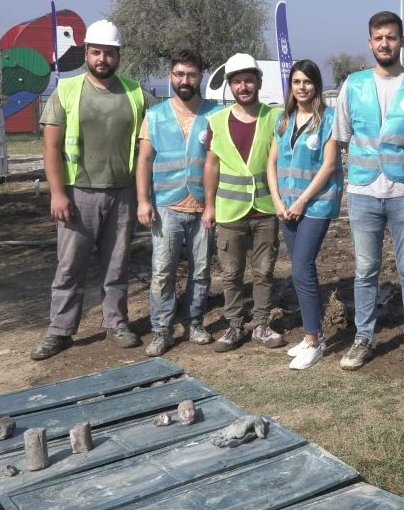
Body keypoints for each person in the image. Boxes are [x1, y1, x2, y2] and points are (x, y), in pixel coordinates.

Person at [30, 19, 152, 360]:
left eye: (109, 53)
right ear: (86, 53)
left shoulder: (135, 92)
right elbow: (51, 147)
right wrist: (57, 193)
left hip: (123, 193)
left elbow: (168, 117)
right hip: (77, 193)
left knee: (117, 264)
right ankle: (60, 330)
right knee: (70, 266)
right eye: (97, 52)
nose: (102, 59)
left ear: (118, 56)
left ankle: (117, 323)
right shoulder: (67, 91)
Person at [333, 11, 404, 374]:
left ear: (401, 41)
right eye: (378, 37)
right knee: (365, 270)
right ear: (369, 43)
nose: (384, 43)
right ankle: (363, 337)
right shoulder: (353, 85)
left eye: (391, 37)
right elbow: (343, 138)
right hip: (363, 191)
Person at [135, 49, 222, 357]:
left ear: (201, 77)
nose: (185, 80)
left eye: (191, 75)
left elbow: (219, 160)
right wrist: (143, 201)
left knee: (201, 270)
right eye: (179, 74)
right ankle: (162, 330)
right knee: (162, 271)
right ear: (170, 76)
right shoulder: (155, 115)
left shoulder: (215, 114)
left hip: (203, 206)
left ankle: (195, 322)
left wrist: (213, 204)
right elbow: (144, 160)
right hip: (166, 207)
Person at [203, 53, 285, 352]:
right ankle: (235, 325)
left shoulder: (275, 118)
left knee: (263, 271)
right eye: (237, 81)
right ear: (230, 85)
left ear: (258, 82)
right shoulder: (217, 121)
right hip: (230, 211)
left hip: (265, 210)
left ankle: (261, 324)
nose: (244, 86)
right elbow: (211, 165)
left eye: (249, 80)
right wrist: (209, 206)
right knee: (231, 273)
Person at [267, 60, 343, 370]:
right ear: (291, 86)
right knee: (301, 271)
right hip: (286, 207)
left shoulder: (328, 120)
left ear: (316, 86)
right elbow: (272, 162)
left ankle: (315, 340)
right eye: (297, 81)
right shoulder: (282, 119)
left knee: (301, 268)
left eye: (308, 82)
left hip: (315, 206)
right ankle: (311, 332)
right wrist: (277, 200)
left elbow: (329, 165)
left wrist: (301, 201)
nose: (302, 87)